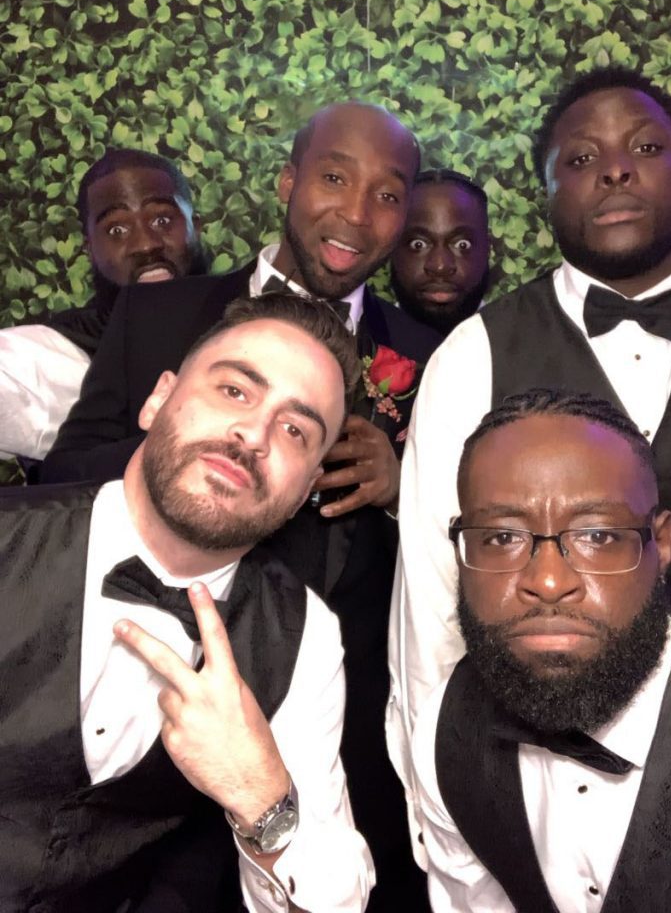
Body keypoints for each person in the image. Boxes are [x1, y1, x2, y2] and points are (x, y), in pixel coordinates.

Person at [40, 101, 441, 910]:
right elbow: (67, 472)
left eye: (388, 194)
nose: (356, 212)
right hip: (137, 704)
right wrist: (204, 459)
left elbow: (452, 559)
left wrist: (407, 486)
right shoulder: (155, 314)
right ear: (289, 181)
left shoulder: (432, 355)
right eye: (333, 177)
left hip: (330, 735)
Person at [389, 68, 671, 855]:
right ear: (547, 193)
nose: (616, 168)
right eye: (581, 157)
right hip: (529, 780)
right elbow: (430, 609)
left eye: (645, 147)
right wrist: (449, 830)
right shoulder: (474, 354)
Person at [0, 292, 373, 912]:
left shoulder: (304, 635)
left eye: (295, 430)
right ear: (157, 399)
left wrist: (262, 796)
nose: (253, 434)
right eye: (235, 391)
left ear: (309, 486)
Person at [412, 388, 671, 912]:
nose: (549, 581)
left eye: (598, 535)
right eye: (501, 537)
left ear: (661, 543)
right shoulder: (445, 730)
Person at [0, 148, 208, 462]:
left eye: (162, 219)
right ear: (89, 249)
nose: (145, 244)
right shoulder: (59, 356)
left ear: (196, 226)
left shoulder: (253, 322)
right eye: (117, 230)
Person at [390, 169, 491, 337]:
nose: (440, 265)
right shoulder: (358, 345)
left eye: (462, 244)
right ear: (391, 248)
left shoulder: (523, 346)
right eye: (418, 244)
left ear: (488, 249)